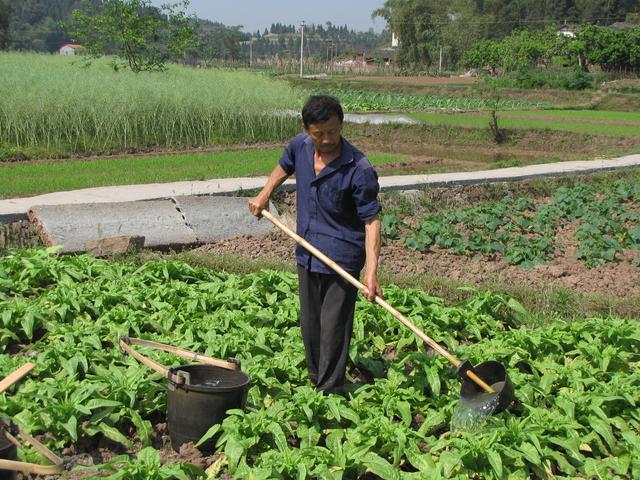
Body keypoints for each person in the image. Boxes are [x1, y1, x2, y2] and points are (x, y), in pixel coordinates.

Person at [248, 95, 382, 395]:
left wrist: (371, 272)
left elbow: (372, 222)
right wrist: (265, 193)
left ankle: (330, 390)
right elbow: (284, 166)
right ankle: (315, 377)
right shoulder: (300, 146)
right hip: (307, 250)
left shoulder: (358, 167)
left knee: (334, 326)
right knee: (311, 325)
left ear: (341, 125)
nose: (326, 139)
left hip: (343, 257)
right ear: (307, 129)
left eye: (332, 132)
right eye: (318, 134)